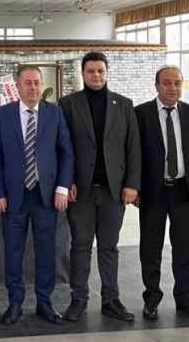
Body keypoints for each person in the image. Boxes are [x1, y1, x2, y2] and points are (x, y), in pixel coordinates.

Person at [0, 65, 74, 326]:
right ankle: (15, 303)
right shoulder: (1, 116)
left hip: (46, 196)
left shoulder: (54, 113)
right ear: (18, 86)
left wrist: (62, 187)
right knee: (13, 252)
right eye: (28, 82)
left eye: (37, 82)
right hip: (13, 197)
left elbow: (66, 152)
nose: (33, 87)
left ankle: (44, 303)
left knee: (46, 252)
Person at [59, 52, 141, 323]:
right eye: (91, 71)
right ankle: (78, 298)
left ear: (107, 73)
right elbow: (63, 147)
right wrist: (67, 181)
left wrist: (132, 184)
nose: (96, 75)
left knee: (109, 246)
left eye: (100, 71)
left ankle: (111, 299)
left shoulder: (124, 104)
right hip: (80, 191)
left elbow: (133, 148)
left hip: (113, 191)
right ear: (83, 73)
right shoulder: (68, 104)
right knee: (80, 245)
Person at [134, 65, 189, 321]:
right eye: (167, 83)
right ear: (156, 85)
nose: (172, 88)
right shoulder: (141, 113)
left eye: (177, 83)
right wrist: (135, 187)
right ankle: (151, 298)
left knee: (184, 248)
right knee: (150, 248)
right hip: (152, 192)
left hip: (183, 191)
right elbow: (134, 154)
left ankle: (184, 297)